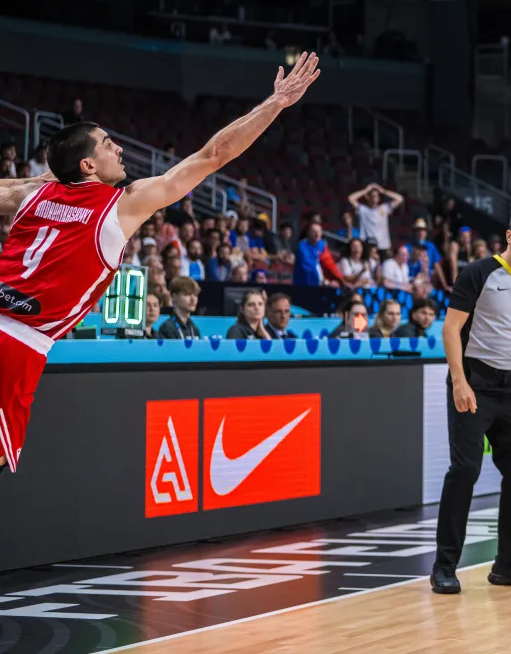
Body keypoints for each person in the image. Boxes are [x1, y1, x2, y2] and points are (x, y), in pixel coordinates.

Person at [0, 53, 318, 473]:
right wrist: (275, 103)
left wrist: (36, 181)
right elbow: (213, 155)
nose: (119, 148)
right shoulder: (122, 206)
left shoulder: (28, 195)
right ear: (88, 164)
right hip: (19, 344)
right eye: (107, 144)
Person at [431, 208, 511, 594]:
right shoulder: (480, 272)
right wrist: (459, 382)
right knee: (464, 471)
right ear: (509, 235)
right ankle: (444, 566)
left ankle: (508, 565)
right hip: (474, 380)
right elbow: (451, 329)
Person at [349, 182, 403, 255]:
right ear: (368, 197)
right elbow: (351, 198)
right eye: (372, 196)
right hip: (367, 244)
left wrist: (383, 191)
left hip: (382, 246)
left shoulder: (384, 208)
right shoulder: (363, 210)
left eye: (376, 196)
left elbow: (400, 198)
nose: (374, 198)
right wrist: (366, 190)